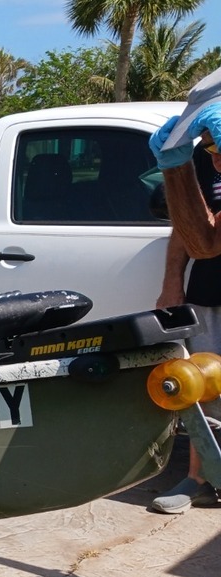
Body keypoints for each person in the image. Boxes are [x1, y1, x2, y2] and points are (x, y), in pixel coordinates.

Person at [148, 67, 221, 513]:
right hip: (211, 289)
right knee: (204, 383)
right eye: (208, 148)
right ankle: (201, 475)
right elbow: (201, 239)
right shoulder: (203, 157)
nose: (214, 160)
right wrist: (174, 165)